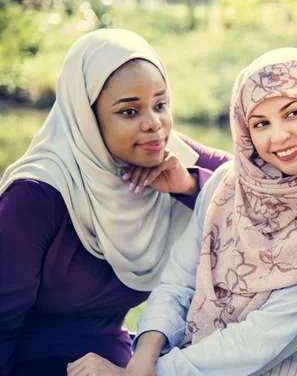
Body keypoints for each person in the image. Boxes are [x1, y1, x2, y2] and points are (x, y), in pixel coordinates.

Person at [66, 47, 297, 376]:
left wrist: (150, 373)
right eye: (261, 123)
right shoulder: (227, 186)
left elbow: (263, 339)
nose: (279, 136)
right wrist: (142, 360)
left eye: (293, 113)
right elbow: (178, 284)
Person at [0, 29, 231, 376]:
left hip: (116, 359)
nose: (154, 124)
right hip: (28, 360)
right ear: (87, 119)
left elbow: (261, 183)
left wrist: (191, 185)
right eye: (128, 112)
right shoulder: (35, 196)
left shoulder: (166, 154)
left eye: (161, 104)